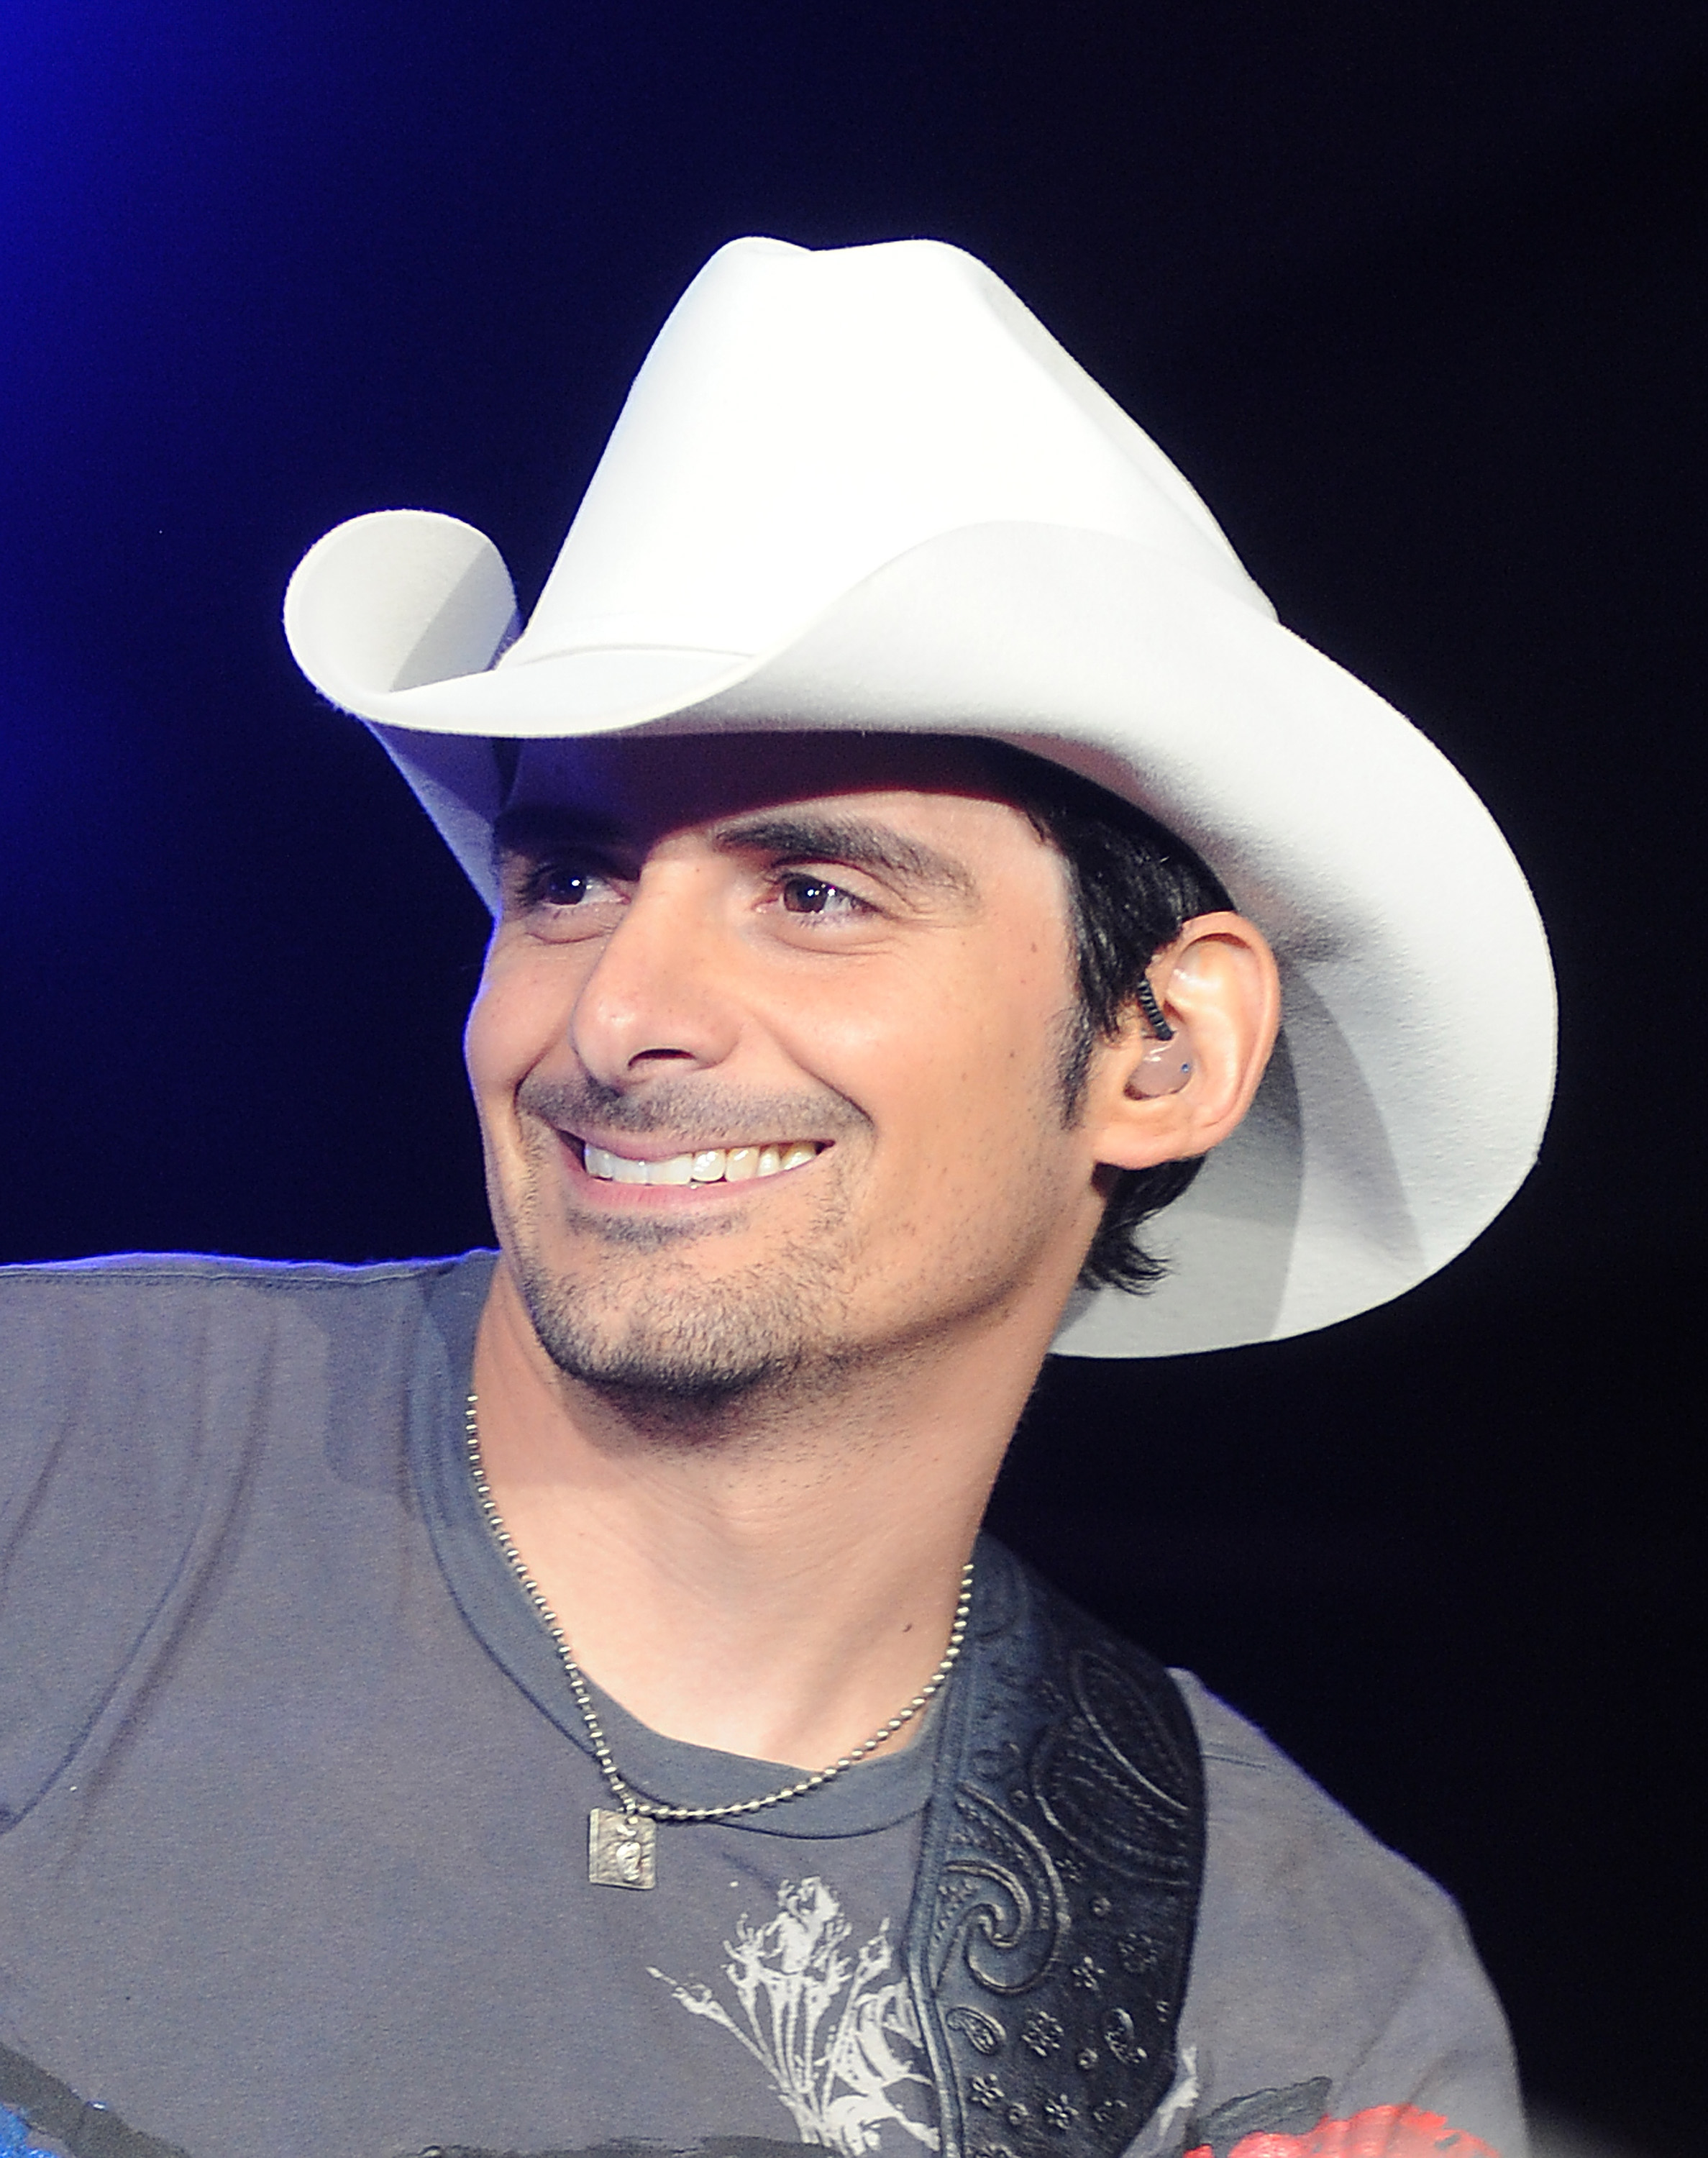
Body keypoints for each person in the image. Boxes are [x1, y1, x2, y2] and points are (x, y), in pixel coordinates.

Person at [0, 237, 1554, 2158]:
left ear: (1163, 1050)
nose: (618, 1011)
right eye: (569, 877)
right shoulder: (47, 1463)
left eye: (811, 890)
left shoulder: (1293, 2002)